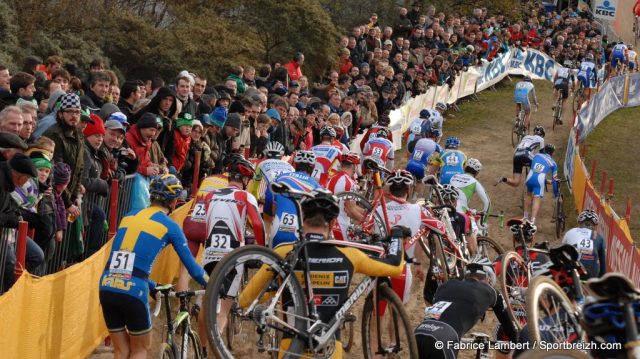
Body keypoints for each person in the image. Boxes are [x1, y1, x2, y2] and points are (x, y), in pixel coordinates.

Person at [239, 190, 406, 358]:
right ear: (333, 222)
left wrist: (277, 289)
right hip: (330, 348)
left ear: (302, 219)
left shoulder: (285, 252)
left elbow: (246, 300)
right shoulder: (350, 255)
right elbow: (395, 267)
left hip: (291, 348)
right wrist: (397, 236)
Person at [99, 174, 208, 359]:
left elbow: (125, 262)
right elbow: (193, 268)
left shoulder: (129, 216)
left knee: (121, 350)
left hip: (107, 285)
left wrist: (151, 284)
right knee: (140, 349)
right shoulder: (170, 226)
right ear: (173, 202)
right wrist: (213, 283)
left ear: (151, 197)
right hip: (133, 290)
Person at [198, 156, 265, 356]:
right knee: (223, 310)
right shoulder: (245, 197)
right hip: (232, 256)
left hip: (209, 255)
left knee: (206, 303)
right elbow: (259, 226)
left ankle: (202, 350)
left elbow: (201, 225)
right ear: (244, 180)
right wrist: (260, 252)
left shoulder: (209, 196)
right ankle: (216, 349)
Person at [415, 255, 518, 359]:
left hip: (420, 331)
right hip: (444, 336)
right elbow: (510, 329)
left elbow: (442, 314)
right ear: (488, 278)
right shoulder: (491, 291)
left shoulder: (445, 285)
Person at [265, 150, 321, 248]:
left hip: (277, 231)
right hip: (301, 233)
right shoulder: (316, 186)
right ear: (312, 167)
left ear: (295, 165)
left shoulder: (278, 178)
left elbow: (269, 211)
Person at [562, 209, 606, 279]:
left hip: (574, 267)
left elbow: (563, 252)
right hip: (592, 270)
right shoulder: (599, 237)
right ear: (594, 225)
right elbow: (603, 263)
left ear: (579, 223)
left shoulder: (570, 232)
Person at [328, 152, 361, 241]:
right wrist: (366, 221)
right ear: (354, 166)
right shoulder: (349, 182)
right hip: (341, 225)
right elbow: (350, 210)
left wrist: (365, 211)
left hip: (329, 222)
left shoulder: (332, 178)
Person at [523, 144, 558, 224]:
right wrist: (556, 194)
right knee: (536, 199)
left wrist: (545, 181)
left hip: (530, 176)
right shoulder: (553, 163)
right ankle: (532, 221)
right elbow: (555, 180)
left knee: (528, 195)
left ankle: (525, 217)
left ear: (545, 150)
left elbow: (535, 170)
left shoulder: (537, 155)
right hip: (540, 179)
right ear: (552, 153)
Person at [552, 60, 574, 124]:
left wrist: (554, 84)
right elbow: (573, 82)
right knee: (564, 100)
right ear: (569, 65)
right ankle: (561, 117)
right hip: (565, 83)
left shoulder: (559, 69)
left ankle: (554, 103)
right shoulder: (571, 71)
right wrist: (573, 89)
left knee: (555, 89)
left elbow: (555, 77)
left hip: (559, 81)